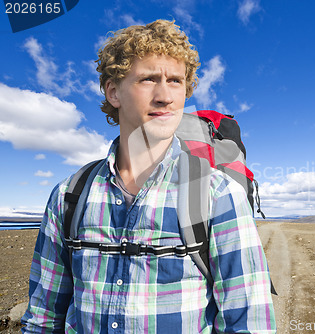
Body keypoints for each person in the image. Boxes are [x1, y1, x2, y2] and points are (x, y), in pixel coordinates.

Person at [21, 19, 276, 333]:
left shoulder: (217, 193)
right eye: (149, 79)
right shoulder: (69, 195)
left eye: (176, 82)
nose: (165, 96)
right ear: (113, 92)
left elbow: (248, 324)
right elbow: (43, 318)